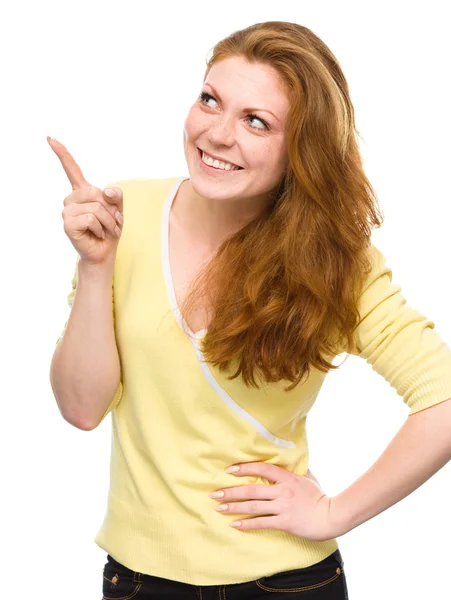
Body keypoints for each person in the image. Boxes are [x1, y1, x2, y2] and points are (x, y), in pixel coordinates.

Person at [49, 21, 451, 599]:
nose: (216, 134)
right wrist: (95, 268)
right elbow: (82, 408)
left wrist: (333, 513)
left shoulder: (336, 260)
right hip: (138, 580)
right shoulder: (125, 213)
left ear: (300, 150)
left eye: (255, 121)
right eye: (210, 100)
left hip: (286, 582)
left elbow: (440, 397)